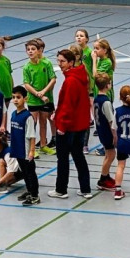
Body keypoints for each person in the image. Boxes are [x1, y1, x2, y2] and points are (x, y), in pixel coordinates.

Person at [51, 48, 94, 199]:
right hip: (80, 125)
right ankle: (85, 189)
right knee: (78, 156)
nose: (59, 64)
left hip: (69, 127)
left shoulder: (70, 81)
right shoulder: (80, 75)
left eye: (62, 61)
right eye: (58, 61)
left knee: (63, 158)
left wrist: (62, 126)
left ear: (71, 62)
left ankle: (61, 189)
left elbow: (68, 106)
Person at [22, 38, 56, 156]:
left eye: (33, 49)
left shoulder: (46, 63)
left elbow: (53, 79)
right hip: (33, 100)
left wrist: (44, 91)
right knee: (33, 124)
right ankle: (31, 149)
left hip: (45, 99)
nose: (30, 51)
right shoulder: (26, 67)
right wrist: (37, 94)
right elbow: (26, 84)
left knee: (43, 122)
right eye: (28, 50)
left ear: (39, 51)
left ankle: (43, 145)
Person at [6, 87, 38, 204]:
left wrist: (32, 151)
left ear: (25, 99)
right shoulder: (13, 114)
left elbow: (32, 136)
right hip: (17, 149)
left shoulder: (28, 117)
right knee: (24, 172)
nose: (15, 100)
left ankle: (35, 195)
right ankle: (29, 191)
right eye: (13, 97)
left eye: (18, 97)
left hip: (26, 151)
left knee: (30, 173)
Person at [92, 73, 118, 190]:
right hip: (107, 132)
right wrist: (114, 135)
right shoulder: (106, 102)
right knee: (111, 155)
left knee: (108, 154)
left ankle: (106, 176)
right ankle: (103, 179)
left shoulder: (96, 98)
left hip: (101, 129)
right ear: (107, 85)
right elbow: (111, 120)